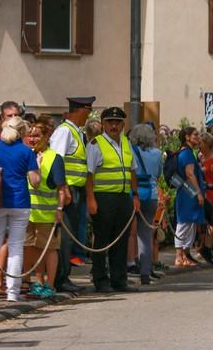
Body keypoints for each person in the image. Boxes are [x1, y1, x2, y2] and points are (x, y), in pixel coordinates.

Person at [85, 106, 138, 293]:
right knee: (102, 240)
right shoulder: (95, 144)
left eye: (117, 123)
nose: (114, 126)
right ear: (103, 124)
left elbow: (132, 170)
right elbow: (89, 175)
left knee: (121, 239)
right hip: (103, 196)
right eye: (110, 122)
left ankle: (119, 279)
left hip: (123, 197)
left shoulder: (126, 142)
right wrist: (91, 199)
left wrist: (135, 195)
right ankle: (100, 279)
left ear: (123, 125)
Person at [0, 117, 39, 302]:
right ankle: (13, 292)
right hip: (20, 203)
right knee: (16, 247)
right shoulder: (26, 151)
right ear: (22, 132)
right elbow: (35, 181)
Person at [51, 96, 93, 293]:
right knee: (66, 237)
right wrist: (64, 187)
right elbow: (56, 159)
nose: (89, 114)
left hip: (77, 191)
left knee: (71, 234)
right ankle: (61, 278)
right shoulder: (65, 131)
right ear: (79, 110)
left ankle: (64, 276)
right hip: (68, 192)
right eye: (88, 110)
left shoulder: (76, 132)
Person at [22, 122, 67, 299]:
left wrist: (59, 208)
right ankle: (38, 283)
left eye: (37, 136)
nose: (33, 139)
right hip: (28, 214)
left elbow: (61, 188)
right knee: (32, 248)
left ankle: (50, 284)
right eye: (30, 135)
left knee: (49, 250)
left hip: (47, 214)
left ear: (46, 137)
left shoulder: (54, 158)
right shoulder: (27, 155)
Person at [129, 124, 163, 286]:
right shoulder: (157, 153)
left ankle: (126, 266)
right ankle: (145, 272)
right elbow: (158, 174)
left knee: (128, 233)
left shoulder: (131, 151)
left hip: (133, 194)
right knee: (145, 235)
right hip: (151, 195)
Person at [174, 127, 206, 267]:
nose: (198, 137)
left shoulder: (187, 152)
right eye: (195, 134)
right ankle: (179, 256)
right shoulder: (186, 153)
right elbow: (190, 174)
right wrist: (198, 193)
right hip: (189, 193)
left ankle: (185, 255)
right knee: (184, 223)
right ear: (187, 137)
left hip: (186, 191)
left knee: (190, 223)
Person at [198, 132, 213, 264]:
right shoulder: (200, 157)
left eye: (201, 143)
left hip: (210, 195)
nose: (199, 145)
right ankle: (205, 247)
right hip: (201, 194)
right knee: (202, 223)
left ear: (207, 145)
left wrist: (212, 190)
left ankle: (210, 247)